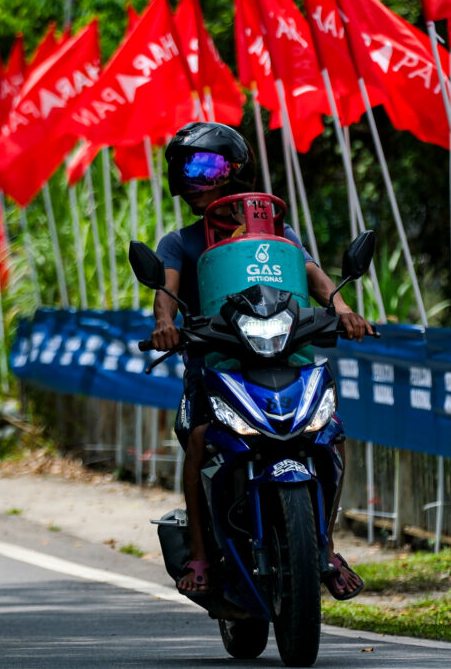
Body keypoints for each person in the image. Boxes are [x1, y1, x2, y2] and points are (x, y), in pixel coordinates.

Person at [149, 121, 373, 600]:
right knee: (199, 440)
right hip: (215, 366)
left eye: (205, 166)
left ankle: (327, 547)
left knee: (331, 434)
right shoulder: (179, 242)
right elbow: (165, 293)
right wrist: (165, 323)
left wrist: (346, 311)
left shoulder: (281, 234)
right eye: (186, 167)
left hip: (284, 357)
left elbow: (314, 277)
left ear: (234, 169)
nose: (194, 178)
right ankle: (201, 555)